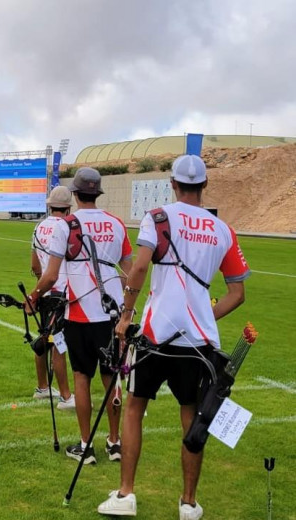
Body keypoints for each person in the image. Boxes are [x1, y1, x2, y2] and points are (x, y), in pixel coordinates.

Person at [98, 155, 249, 519]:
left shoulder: (158, 217)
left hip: (155, 335)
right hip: (197, 343)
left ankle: (125, 495)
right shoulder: (222, 229)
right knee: (192, 416)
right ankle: (188, 503)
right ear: (204, 186)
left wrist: (126, 316)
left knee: (135, 409)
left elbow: (139, 266)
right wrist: (201, 316)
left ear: (173, 184)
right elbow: (237, 293)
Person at [26, 167, 132, 465]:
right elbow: (128, 271)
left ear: (75, 194)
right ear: (97, 193)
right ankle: (114, 441)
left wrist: (33, 297)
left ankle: (85, 446)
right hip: (110, 314)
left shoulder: (65, 225)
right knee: (111, 378)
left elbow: (50, 275)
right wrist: (123, 308)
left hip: (79, 313)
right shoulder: (117, 223)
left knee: (82, 378)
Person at [30, 185, 75, 410]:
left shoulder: (39, 227)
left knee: (45, 338)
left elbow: (35, 264)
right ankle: (66, 396)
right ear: (68, 207)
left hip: (46, 291)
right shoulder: (68, 227)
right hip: (63, 292)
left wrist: (41, 286)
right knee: (58, 343)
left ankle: (42, 387)